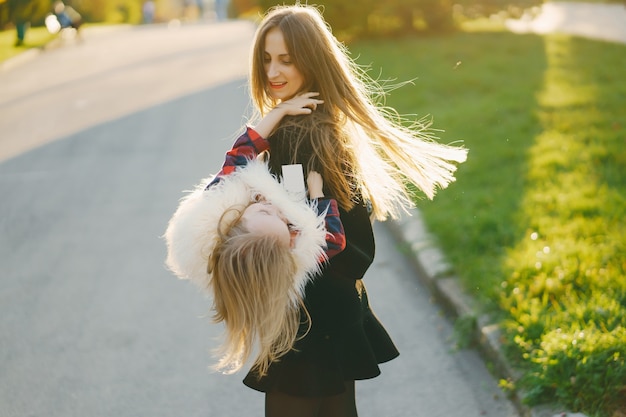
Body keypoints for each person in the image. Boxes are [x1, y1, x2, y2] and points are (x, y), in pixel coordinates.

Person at [169, 4, 467, 417]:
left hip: (311, 320)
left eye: (286, 60)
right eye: (267, 59)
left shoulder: (304, 136)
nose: (273, 71)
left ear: (311, 61)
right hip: (325, 313)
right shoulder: (310, 126)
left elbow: (343, 245)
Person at [164, 125, 347, 380]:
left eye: (264, 211)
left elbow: (239, 157)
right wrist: (318, 195)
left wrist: (276, 116)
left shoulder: (220, 200)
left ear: (236, 221)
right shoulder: (293, 248)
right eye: (281, 219)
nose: (274, 207)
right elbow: (333, 240)